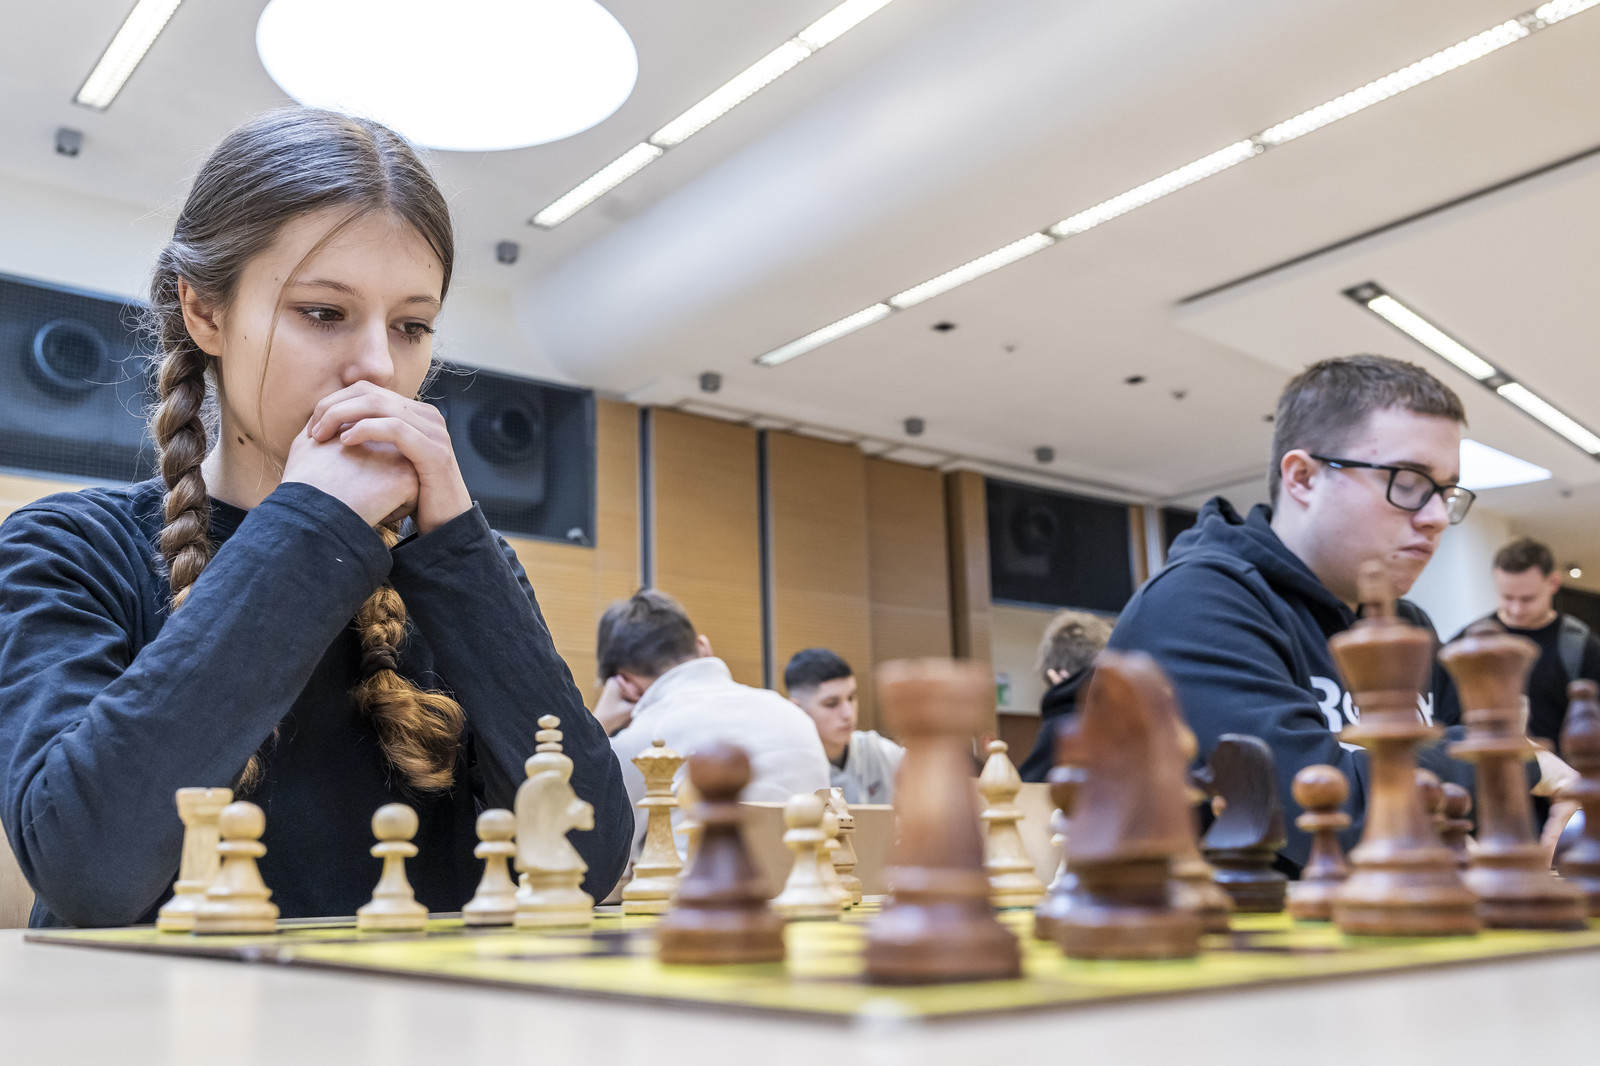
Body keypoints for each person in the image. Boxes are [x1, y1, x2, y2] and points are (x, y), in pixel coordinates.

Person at [0, 109, 632, 928]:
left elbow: (589, 863)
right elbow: (89, 868)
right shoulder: (65, 549)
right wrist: (313, 525)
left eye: (411, 327)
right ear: (206, 312)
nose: (379, 365)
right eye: (324, 313)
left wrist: (462, 550)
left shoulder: (459, 567)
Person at [1107, 354, 1576, 869]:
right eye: (1408, 481)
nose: (1437, 517)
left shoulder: (1407, 627)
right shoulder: (1193, 606)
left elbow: (1467, 810)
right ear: (1303, 478)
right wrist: (1511, 757)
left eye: (1446, 492)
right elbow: (1327, 820)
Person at [599, 591, 830, 847]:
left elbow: (604, 848)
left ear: (625, 683)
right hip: (809, 870)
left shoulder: (641, 741)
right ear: (703, 647)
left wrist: (598, 725)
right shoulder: (793, 714)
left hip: (702, 872)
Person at [1435, 537, 1600, 745]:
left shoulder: (1582, 647)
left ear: (1554, 582)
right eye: (1507, 597)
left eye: (1527, 599)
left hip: (1561, 763)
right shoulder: (1466, 646)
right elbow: (1446, 726)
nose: (1516, 609)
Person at [784, 648, 904, 804]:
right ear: (797, 709)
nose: (848, 713)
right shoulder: (786, 767)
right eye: (831, 703)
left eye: (851, 698)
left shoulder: (881, 752)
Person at [1017, 611, 1114, 782]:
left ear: (1054, 674)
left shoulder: (1062, 724)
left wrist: (1061, 698)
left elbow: (1024, 786)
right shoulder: (1127, 719)